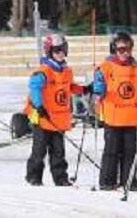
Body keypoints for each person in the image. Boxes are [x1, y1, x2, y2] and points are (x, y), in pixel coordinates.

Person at [24, 33, 89, 186]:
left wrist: (84, 89)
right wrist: (39, 106)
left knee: (59, 151)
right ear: (49, 52)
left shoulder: (66, 71)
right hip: (43, 117)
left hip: (59, 120)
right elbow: (34, 88)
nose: (61, 53)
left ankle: (60, 178)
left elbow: (70, 87)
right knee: (39, 150)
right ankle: (34, 176)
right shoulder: (44, 71)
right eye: (57, 50)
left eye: (63, 49)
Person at [94, 31, 137, 191]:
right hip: (113, 116)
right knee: (112, 150)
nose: (125, 53)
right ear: (114, 49)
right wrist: (98, 92)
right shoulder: (106, 67)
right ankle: (107, 181)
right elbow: (99, 84)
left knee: (130, 151)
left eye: (128, 49)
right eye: (121, 49)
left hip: (131, 116)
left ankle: (129, 181)